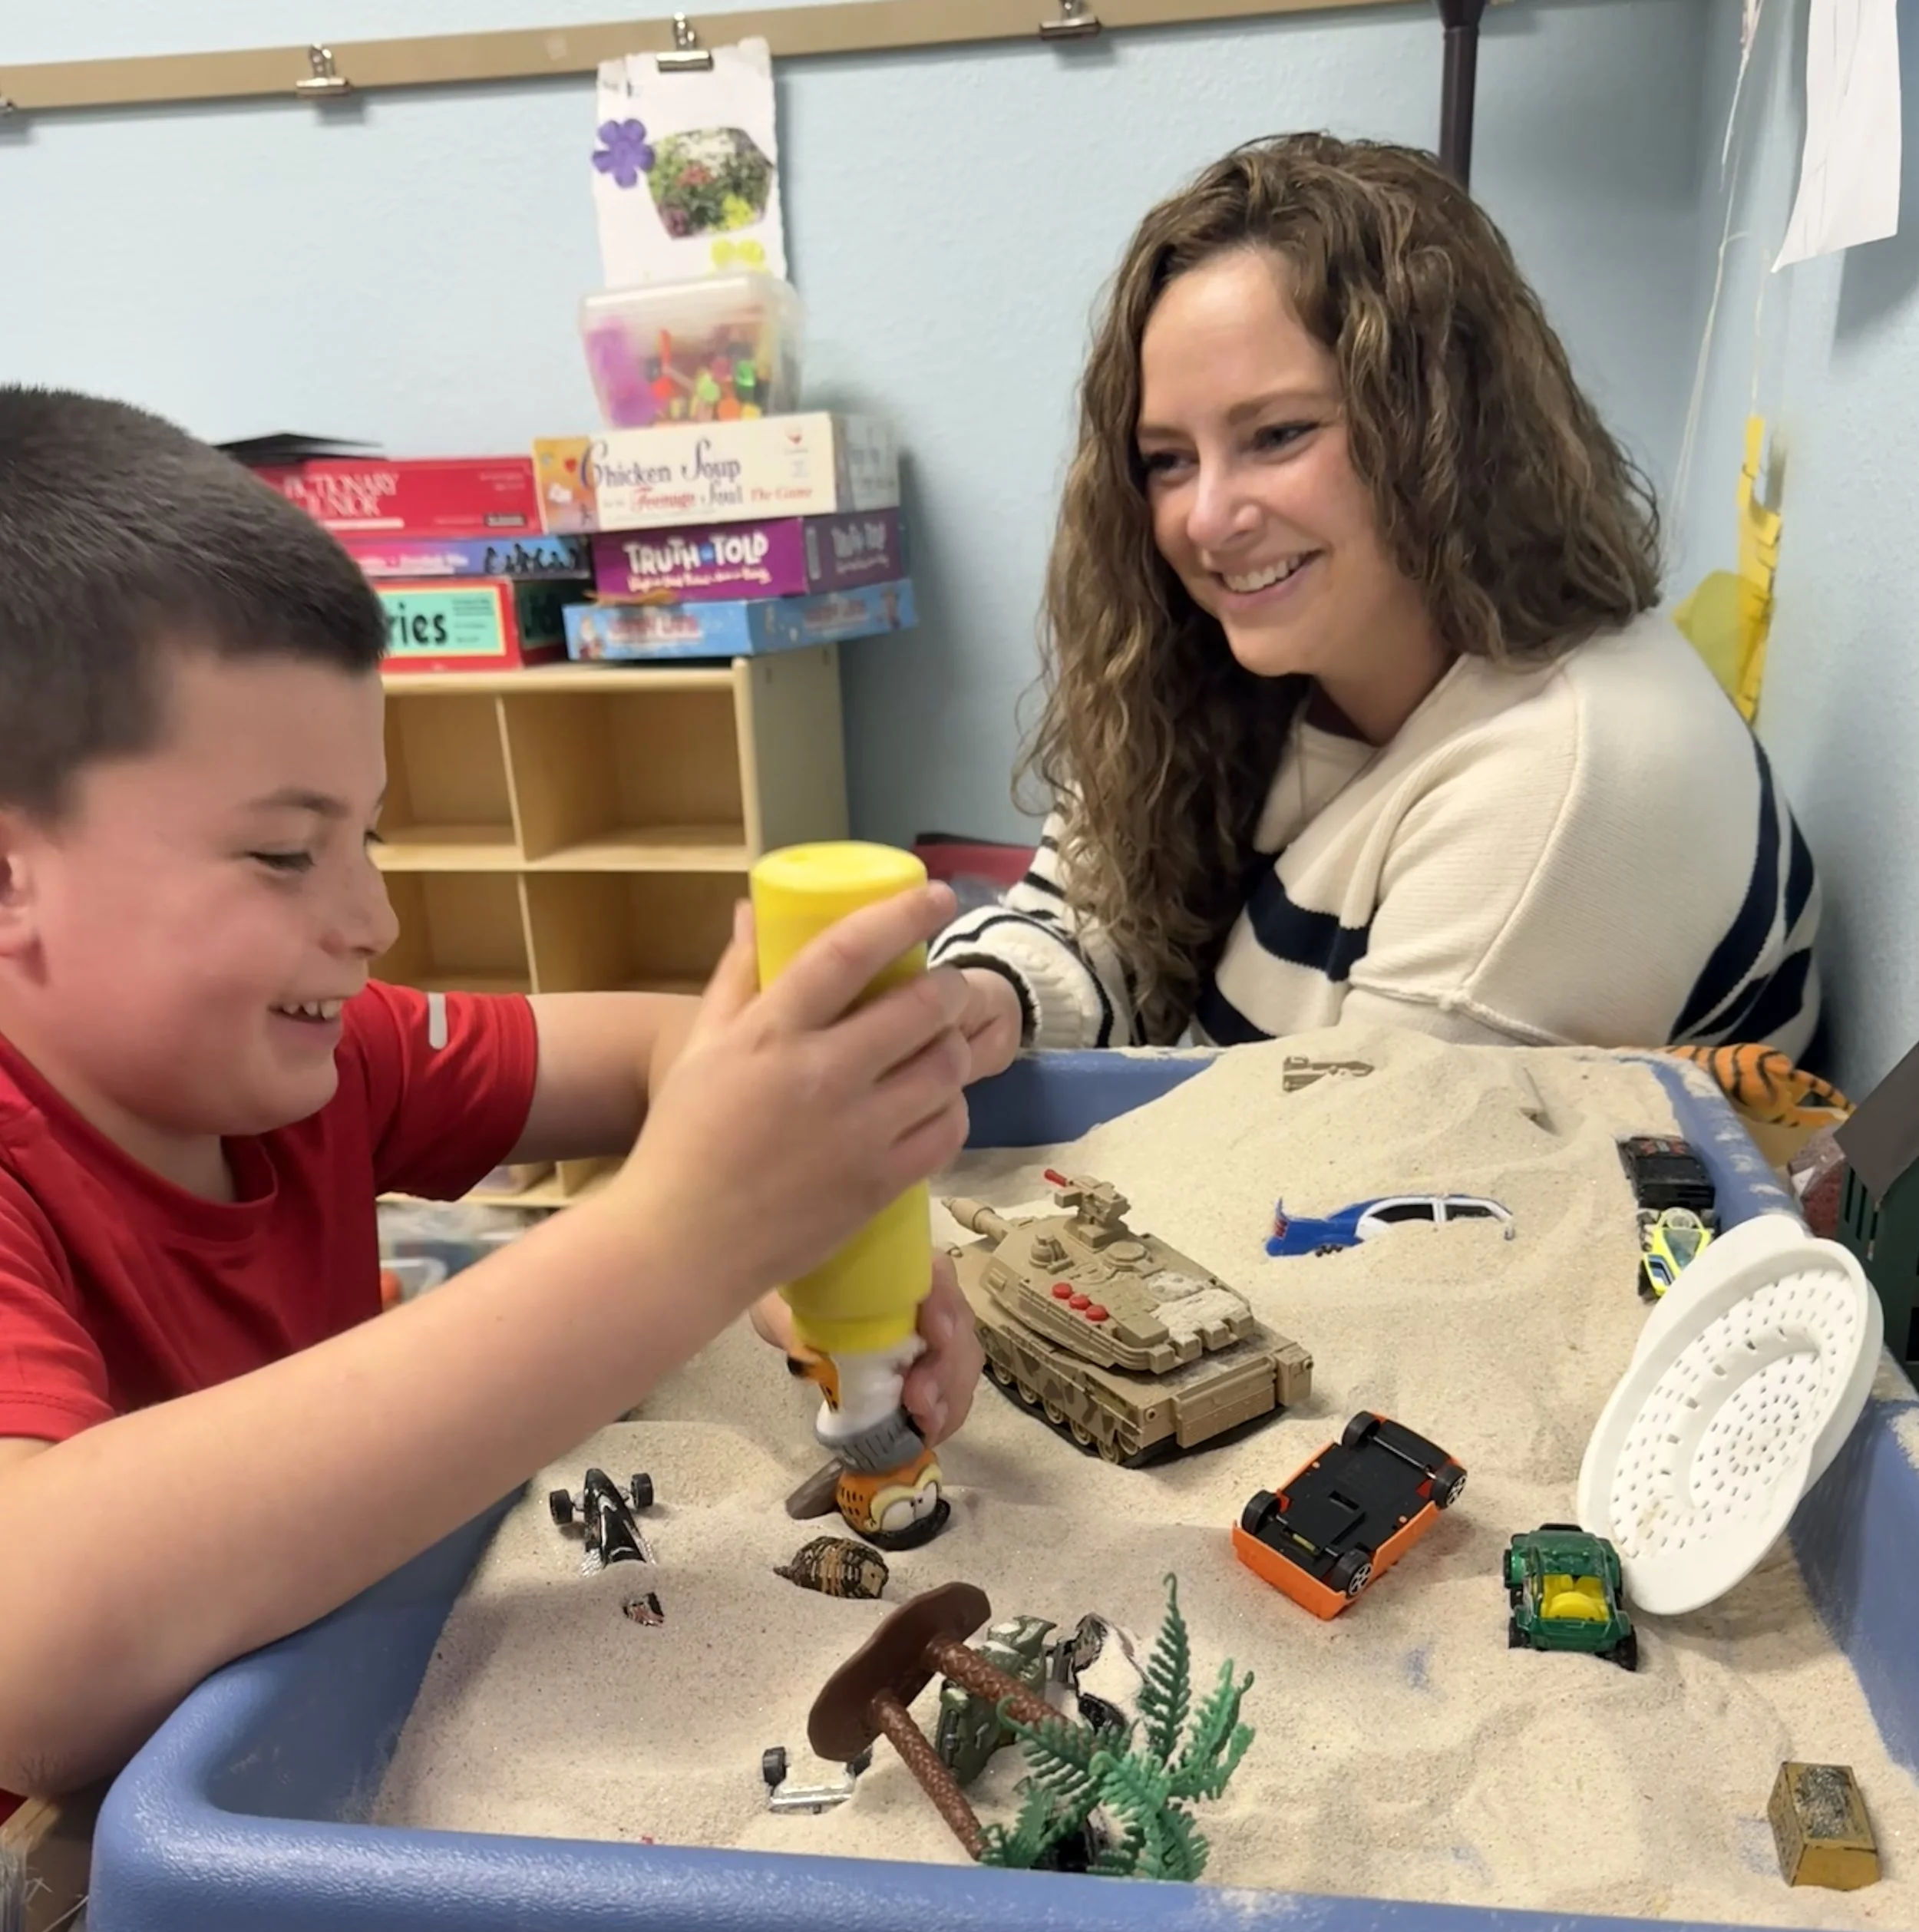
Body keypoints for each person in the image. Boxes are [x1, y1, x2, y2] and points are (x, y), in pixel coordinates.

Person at [0, 389, 985, 1802]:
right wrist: (682, 1238)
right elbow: (33, 1661)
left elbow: (663, 1059)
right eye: (285, 856)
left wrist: (806, 1252)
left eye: (371, 838)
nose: (372, 920)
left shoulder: (324, 1060)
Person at [936, 134, 1821, 1067]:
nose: (1206, 518)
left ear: (1441, 422)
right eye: (1166, 459)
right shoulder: (1258, 652)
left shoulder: (1559, 784)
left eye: (1276, 434)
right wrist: (992, 997)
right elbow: (1085, 909)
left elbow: (1345, 1172)